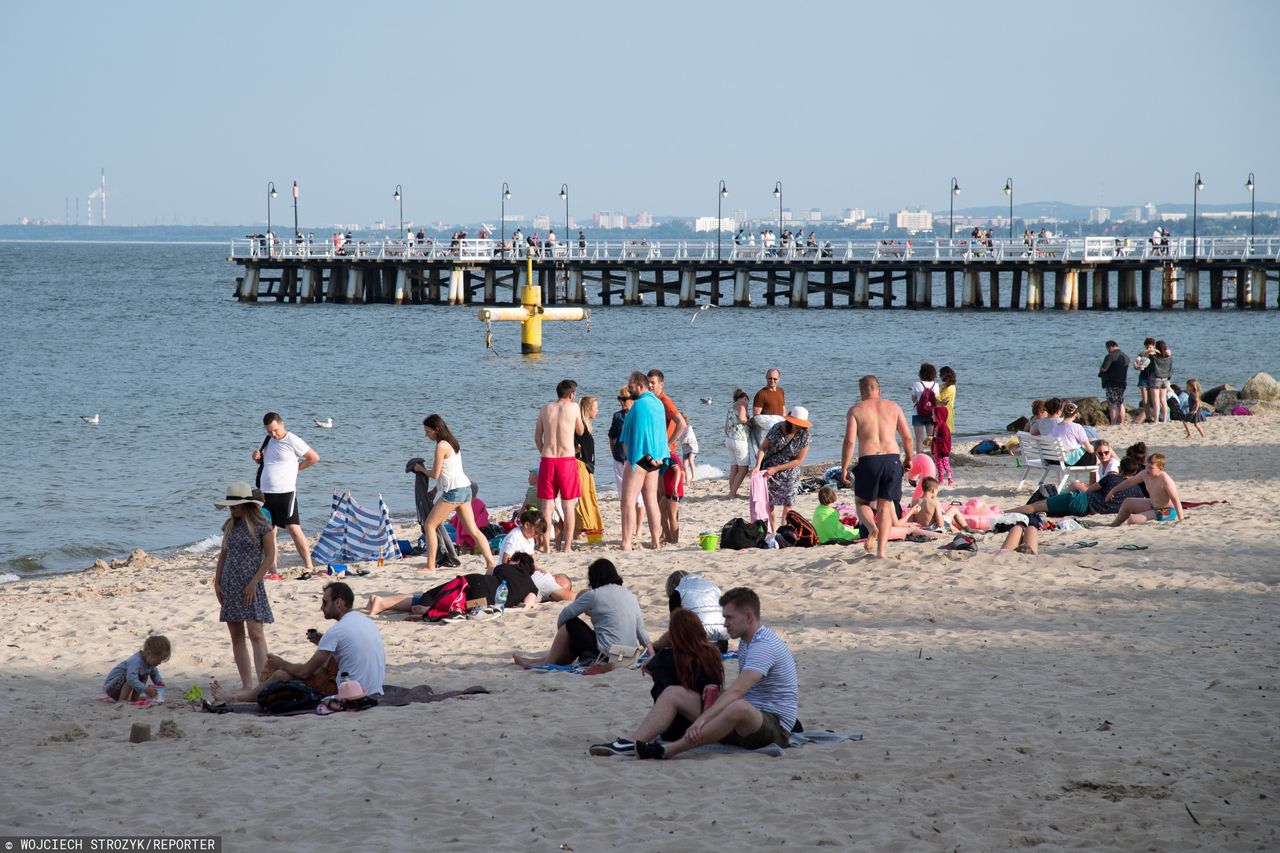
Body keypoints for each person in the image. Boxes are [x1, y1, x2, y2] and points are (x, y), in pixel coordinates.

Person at [623, 587, 798, 760]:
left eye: (729, 617)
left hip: (775, 726)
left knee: (738, 706)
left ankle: (669, 749)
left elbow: (738, 690)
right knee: (673, 693)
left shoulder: (763, 646)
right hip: (747, 720)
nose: (724, 623)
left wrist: (702, 720)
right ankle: (630, 743)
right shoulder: (746, 641)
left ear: (748, 617)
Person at [212, 582, 386, 702]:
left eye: (325, 602)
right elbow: (348, 648)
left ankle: (236, 698)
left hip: (351, 691)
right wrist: (321, 641)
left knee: (281, 674)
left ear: (339, 602)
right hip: (374, 688)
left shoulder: (336, 631)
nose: (321, 607)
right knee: (323, 662)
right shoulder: (364, 621)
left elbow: (304, 672)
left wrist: (282, 663)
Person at [591, 608, 725, 755]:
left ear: (673, 635)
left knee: (669, 693)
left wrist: (659, 645)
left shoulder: (666, 658)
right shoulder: (713, 654)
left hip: (676, 729)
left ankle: (631, 742)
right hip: (708, 717)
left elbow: (652, 662)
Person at [513, 559, 651, 668]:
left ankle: (546, 662)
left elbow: (564, 616)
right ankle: (542, 659)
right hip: (628, 657)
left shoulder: (594, 594)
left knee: (570, 624)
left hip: (607, 657)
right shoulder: (630, 595)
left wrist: (565, 636)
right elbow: (641, 631)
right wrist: (652, 654)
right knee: (577, 639)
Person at [213, 482, 277, 695]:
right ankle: (247, 684)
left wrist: (254, 582)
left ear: (246, 504)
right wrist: (217, 581)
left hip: (252, 582)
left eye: (236, 505)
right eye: (231, 506)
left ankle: (262, 682)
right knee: (236, 635)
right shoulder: (229, 525)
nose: (232, 509)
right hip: (230, 582)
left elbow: (269, 557)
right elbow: (223, 554)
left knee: (256, 633)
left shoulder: (261, 525)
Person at [840, 375, 913, 559]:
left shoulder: (856, 410)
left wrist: (844, 468)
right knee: (886, 506)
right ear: (879, 390)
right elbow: (907, 437)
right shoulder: (894, 407)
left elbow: (849, 441)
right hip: (892, 459)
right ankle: (881, 552)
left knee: (862, 502)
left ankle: (872, 528)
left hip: (869, 460)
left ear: (861, 392)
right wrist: (909, 458)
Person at [420, 414, 496, 572]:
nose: (426, 434)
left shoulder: (441, 445)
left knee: (429, 525)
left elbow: (435, 473)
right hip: (465, 488)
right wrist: (435, 490)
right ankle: (490, 563)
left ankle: (430, 566)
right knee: (473, 530)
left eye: (428, 431)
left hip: (454, 492)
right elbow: (448, 471)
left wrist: (420, 469)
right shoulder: (452, 442)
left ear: (436, 429)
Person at [367, 552, 549, 617]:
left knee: (437, 593)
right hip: (482, 603)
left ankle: (384, 603)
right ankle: (429, 609)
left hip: (476, 581)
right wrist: (510, 609)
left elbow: (488, 572)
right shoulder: (532, 587)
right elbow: (527, 605)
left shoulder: (506, 567)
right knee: (459, 605)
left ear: (516, 561)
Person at [252, 412, 319, 575]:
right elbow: (264, 461)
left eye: (275, 430)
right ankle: (273, 570)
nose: (273, 434)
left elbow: (314, 458)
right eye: (269, 431)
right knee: (270, 532)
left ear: (282, 424)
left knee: (294, 528)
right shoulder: (267, 440)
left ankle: (309, 565)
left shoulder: (292, 440)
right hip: (265, 493)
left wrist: (296, 469)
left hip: (285, 492)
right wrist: (256, 458)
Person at [1006, 454, 1144, 518]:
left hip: (1081, 502)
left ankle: (1004, 513)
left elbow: (1089, 490)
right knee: (1049, 510)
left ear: (1120, 470)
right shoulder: (1137, 491)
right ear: (1135, 472)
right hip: (1089, 512)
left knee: (1036, 506)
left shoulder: (1111, 478)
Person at [535, 379, 585, 552]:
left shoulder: (545, 409)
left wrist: (544, 452)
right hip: (566, 460)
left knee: (547, 507)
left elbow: (537, 438)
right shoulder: (574, 407)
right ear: (571, 394)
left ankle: (546, 546)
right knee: (568, 505)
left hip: (548, 459)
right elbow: (580, 431)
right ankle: (567, 547)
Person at [619, 371, 667, 551]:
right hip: (656, 458)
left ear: (640, 386)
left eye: (631, 387)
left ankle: (626, 542)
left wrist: (631, 454)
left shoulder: (638, 406)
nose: (629, 390)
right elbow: (661, 432)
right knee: (651, 501)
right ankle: (656, 541)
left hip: (639, 457)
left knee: (628, 501)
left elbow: (629, 435)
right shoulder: (658, 404)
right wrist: (658, 457)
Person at [751, 406, 813, 532]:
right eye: (797, 424)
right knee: (770, 502)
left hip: (790, 470)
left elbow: (798, 460)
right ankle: (773, 529)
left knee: (789, 502)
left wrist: (777, 468)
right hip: (770, 469)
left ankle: (783, 529)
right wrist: (757, 466)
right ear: (790, 421)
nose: (799, 427)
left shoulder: (805, 436)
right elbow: (763, 448)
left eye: (801, 425)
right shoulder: (777, 429)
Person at [647, 369, 687, 546]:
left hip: (667, 454)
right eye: (648, 382)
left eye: (653, 383)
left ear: (661, 384)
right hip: (658, 454)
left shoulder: (665, 402)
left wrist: (668, 443)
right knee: (659, 498)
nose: (650, 385)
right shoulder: (653, 401)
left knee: (665, 497)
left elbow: (682, 423)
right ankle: (665, 534)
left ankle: (671, 536)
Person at [1107, 453, 1185, 525]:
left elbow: (1176, 500)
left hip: (1168, 511)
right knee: (1127, 502)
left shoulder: (1165, 480)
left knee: (1132, 519)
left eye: (1151, 468)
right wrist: (1113, 490)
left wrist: (1181, 519)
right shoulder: (1145, 474)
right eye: (1146, 466)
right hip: (1153, 504)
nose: (1147, 470)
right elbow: (1130, 482)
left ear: (1160, 469)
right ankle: (1114, 525)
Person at [607, 385, 644, 537]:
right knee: (624, 496)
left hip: (636, 459)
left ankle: (639, 528)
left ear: (632, 399)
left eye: (624, 399)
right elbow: (612, 437)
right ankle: (629, 526)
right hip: (619, 459)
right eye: (619, 399)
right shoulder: (618, 417)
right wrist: (615, 453)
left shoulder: (639, 414)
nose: (622, 402)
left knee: (639, 496)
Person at [660, 570, 728, 650]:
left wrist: (657, 645)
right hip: (722, 639)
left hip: (697, 641)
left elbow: (674, 629)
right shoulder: (714, 587)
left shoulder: (677, 592)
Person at [574, 395, 604, 542]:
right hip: (581, 465)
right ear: (588, 409)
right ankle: (582, 530)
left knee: (587, 497)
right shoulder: (581, 428)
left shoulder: (585, 427)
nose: (598, 411)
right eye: (595, 408)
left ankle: (581, 530)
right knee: (584, 498)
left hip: (586, 466)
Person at [104, 635, 169, 702]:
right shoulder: (136, 660)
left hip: (122, 685)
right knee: (132, 678)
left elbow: (155, 674)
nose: (160, 663)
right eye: (159, 659)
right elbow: (131, 679)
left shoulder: (149, 663)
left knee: (142, 676)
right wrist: (145, 689)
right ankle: (122, 700)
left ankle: (134, 699)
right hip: (112, 687)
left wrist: (159, 682)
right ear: (149, 653)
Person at [903, 477, 971, 532]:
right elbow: (940, 524)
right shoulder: (934, 502)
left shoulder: (914, 501)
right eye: (936, 491)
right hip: (934, 529)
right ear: (933, 490)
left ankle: (956, 529)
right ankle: (968, 530)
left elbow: (911, 521)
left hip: (922, 529)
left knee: (949, 521)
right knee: (953, 509)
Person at [750, 368, 786, 457]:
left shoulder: (781, 391)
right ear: (766, 378)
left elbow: (783, 409)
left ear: (779, 379)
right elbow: (756, 416)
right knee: (765, 456)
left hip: (780, 428)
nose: (772, 381)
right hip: (766, 431)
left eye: (775, 379)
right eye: (770, 378)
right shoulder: (761, 394)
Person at [723, 389, 752, 497]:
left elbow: (725, 428)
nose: (747, 403)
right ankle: (732, 493)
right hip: (740, 440)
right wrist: (749, 422)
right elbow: (741, 418)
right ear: (744, 398)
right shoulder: (742, 403)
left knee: (734, 468)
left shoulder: (730, 408)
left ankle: (732, 492)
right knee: (743, 469)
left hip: (729, 439)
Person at [1049, 402, 1097, 466]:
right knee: (1102, 455)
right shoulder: (1077, 427)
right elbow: (1090, 449)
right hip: (1072, 461)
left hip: (1059, 460)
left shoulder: (1055, 428)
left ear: (1063, 413)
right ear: (1076, 414)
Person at [910, 364, 940, 450]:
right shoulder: (936, 385)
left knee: (919, 440)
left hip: (917, 413)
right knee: (931, 438)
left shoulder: (916, 384)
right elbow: (936, 400)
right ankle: (933, 458)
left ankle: (919, 459)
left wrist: (913, 391)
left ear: (921, 373)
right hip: (931, 414)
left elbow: (914, 400)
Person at [1098, 340, 1129, 425]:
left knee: (1112, 403)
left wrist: (1100, 367)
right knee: (1120, 402)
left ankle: (1113, 422)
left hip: (1111, 383)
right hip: (1122, 382)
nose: (1107, 350)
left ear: (1110, 347)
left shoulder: (1110, 356)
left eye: (1107, 348)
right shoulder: (1125, 356)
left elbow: (1104, 368)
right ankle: (1121, 422)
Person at [1132, 338, 1157, 424]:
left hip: (1153, 378)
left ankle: (1153, 416)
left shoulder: (1157, 354)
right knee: (1145, 400)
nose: (1149, 348)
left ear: (1154, 346)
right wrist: (1137, 366)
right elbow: (1135, 363)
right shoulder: (1142, 354)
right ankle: (1148, 416)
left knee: (1152, 400)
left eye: (1150, 346)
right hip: (1143, 378)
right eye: (1147, 347)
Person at [1149, 340, 1174, 423]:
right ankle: (1164, 419)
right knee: (1163, 400)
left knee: (1156, 400)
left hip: (1156, 379)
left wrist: (1153, 351)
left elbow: (1146, 355)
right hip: (1165, 379)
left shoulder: (1154, 358)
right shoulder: (1169, 358)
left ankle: (1156, 419)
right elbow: (1170, 368)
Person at [677, 412, 698, 483]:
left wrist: (682, 442)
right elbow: (677, 437)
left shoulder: (689, 427)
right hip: (685, 449)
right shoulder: (679, 429)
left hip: (692, 447)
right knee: (685, 465)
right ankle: (686, 479)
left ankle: (694, 477)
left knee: (691, 460)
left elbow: (688, 437)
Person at [937, 366, 957, 435]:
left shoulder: (950, 388)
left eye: (941, 374)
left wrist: (936, 390)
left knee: (945, 432)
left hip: (946, 412)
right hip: (944, 411)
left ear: (945, 375)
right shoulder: (946, 386)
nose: (939, 376)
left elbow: (939, 398)